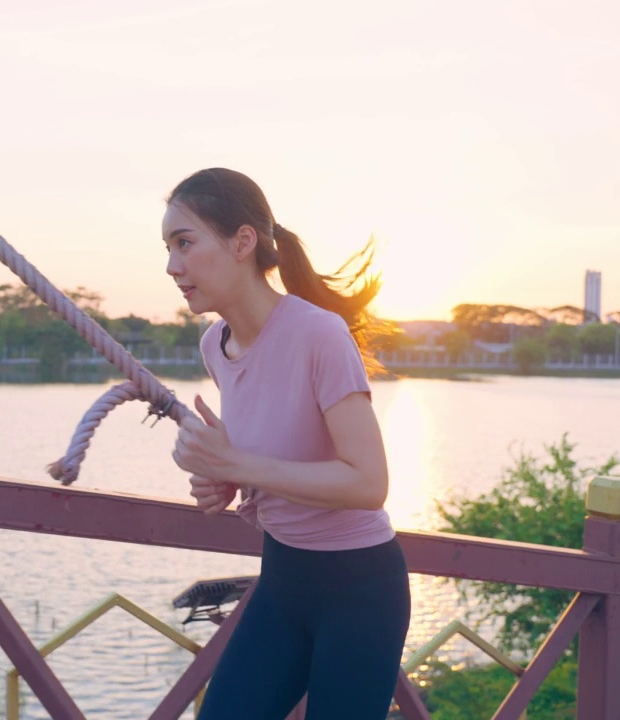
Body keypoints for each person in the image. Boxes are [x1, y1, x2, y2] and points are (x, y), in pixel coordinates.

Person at [164, 168, 410, 719]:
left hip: (360, 591)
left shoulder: (318, 333)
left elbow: (369, 483)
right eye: (168, 248)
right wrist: (220, 480)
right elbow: (271, 460)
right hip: (282, 582)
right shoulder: (215, 345)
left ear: (243, 242)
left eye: (185, 243)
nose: (172, 266)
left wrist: (238, 462)